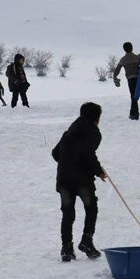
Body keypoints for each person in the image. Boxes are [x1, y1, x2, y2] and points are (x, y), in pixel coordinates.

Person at [52, 102, 106, 262]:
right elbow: (88, 153)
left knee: (68, 213)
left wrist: (67, 162)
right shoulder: (94, 133)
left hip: (64, 180)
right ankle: (87, 241)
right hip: (82, 181)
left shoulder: (68, 133)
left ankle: (66, 248)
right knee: (91, 208)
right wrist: (99, 171)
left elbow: (55, 153)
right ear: (96, 117)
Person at [113, 42, 140, 120]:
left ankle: (134, 114)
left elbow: (117, 69)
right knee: (134, 95)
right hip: (138, 79)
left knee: (133, 95)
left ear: (124, 49)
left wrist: (115, 76)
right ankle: (133, 113)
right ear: (132, 48)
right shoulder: (137, 57)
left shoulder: (123, 59)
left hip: (130, 79)